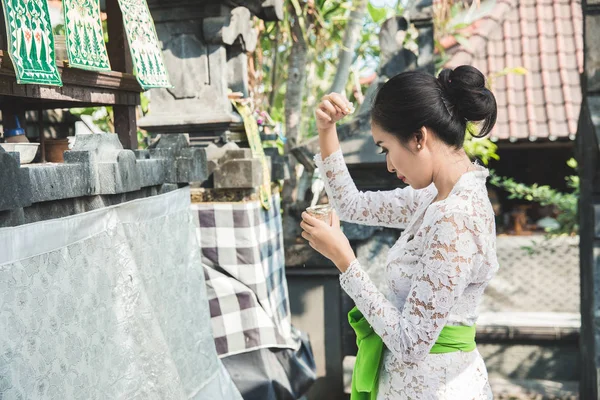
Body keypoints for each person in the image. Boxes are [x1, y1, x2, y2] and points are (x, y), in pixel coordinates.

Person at [300, 65, 499, 399]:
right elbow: (352, 206)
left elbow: (411, 343)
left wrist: (345, 260)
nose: (389, 165)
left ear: (419, 138)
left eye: (385, 148)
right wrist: (326, 130)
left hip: (438, 389)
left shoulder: (457, 217)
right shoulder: (433, 198)